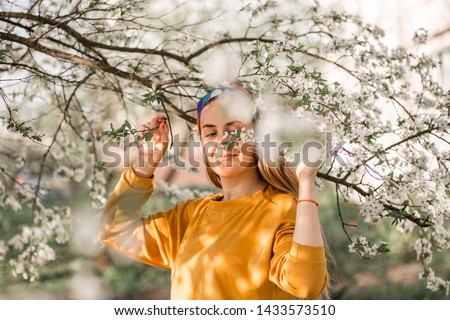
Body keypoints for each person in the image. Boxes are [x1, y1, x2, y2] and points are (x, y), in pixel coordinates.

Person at [98, 82, 329, 299]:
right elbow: (114, 230)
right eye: (210, 134)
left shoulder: (281, 208)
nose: (222, 142)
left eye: (234, 131)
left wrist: (306, 183)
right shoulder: (189, 217)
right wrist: (146, 161)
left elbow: (305, 283)